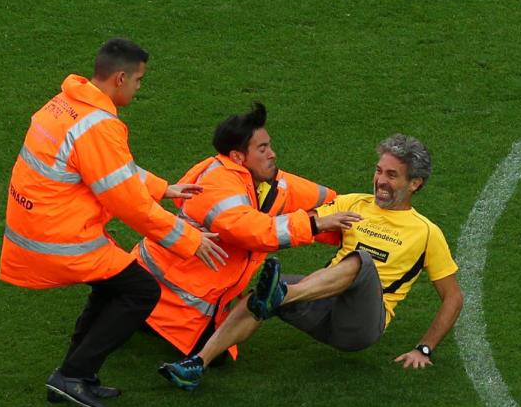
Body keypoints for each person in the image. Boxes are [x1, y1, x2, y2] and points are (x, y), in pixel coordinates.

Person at [0, 38, 227, 407]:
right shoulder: (100, 126)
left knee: (113, 284)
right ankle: (73, 374)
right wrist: (189, 238)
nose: (139, 89)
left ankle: (76, 375)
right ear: (120, 78)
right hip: (61, 237)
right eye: (138, 81)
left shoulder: (66, 104)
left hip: (40, 226)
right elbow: (128, 204)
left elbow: (108, 170)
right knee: (141, 290)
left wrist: (162, 188)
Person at [160, 134, 464, 390]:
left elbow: (453, 297)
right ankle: (196, 364)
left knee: (363, 262)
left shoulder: (426, 232)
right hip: (320, 303)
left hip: (359, 325)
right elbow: (306, 223)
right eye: (379, 171)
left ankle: (281, 296)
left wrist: (425, 348)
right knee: (258, 296)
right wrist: (245, 224)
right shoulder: (352, 203)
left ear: (415, 184)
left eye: (392, 175)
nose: (380, 181)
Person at [134, 102, 360, 362]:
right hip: (171, 300)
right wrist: (315, 225)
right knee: (219, 358)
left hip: (171, 289)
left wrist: (364, 218)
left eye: (270, 145)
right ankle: (149, 323)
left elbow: (328, 201)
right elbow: (253, 231)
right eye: (262, 149)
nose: (272, 154)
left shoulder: (269, 183)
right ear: (239, 157)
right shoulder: (218, 185)